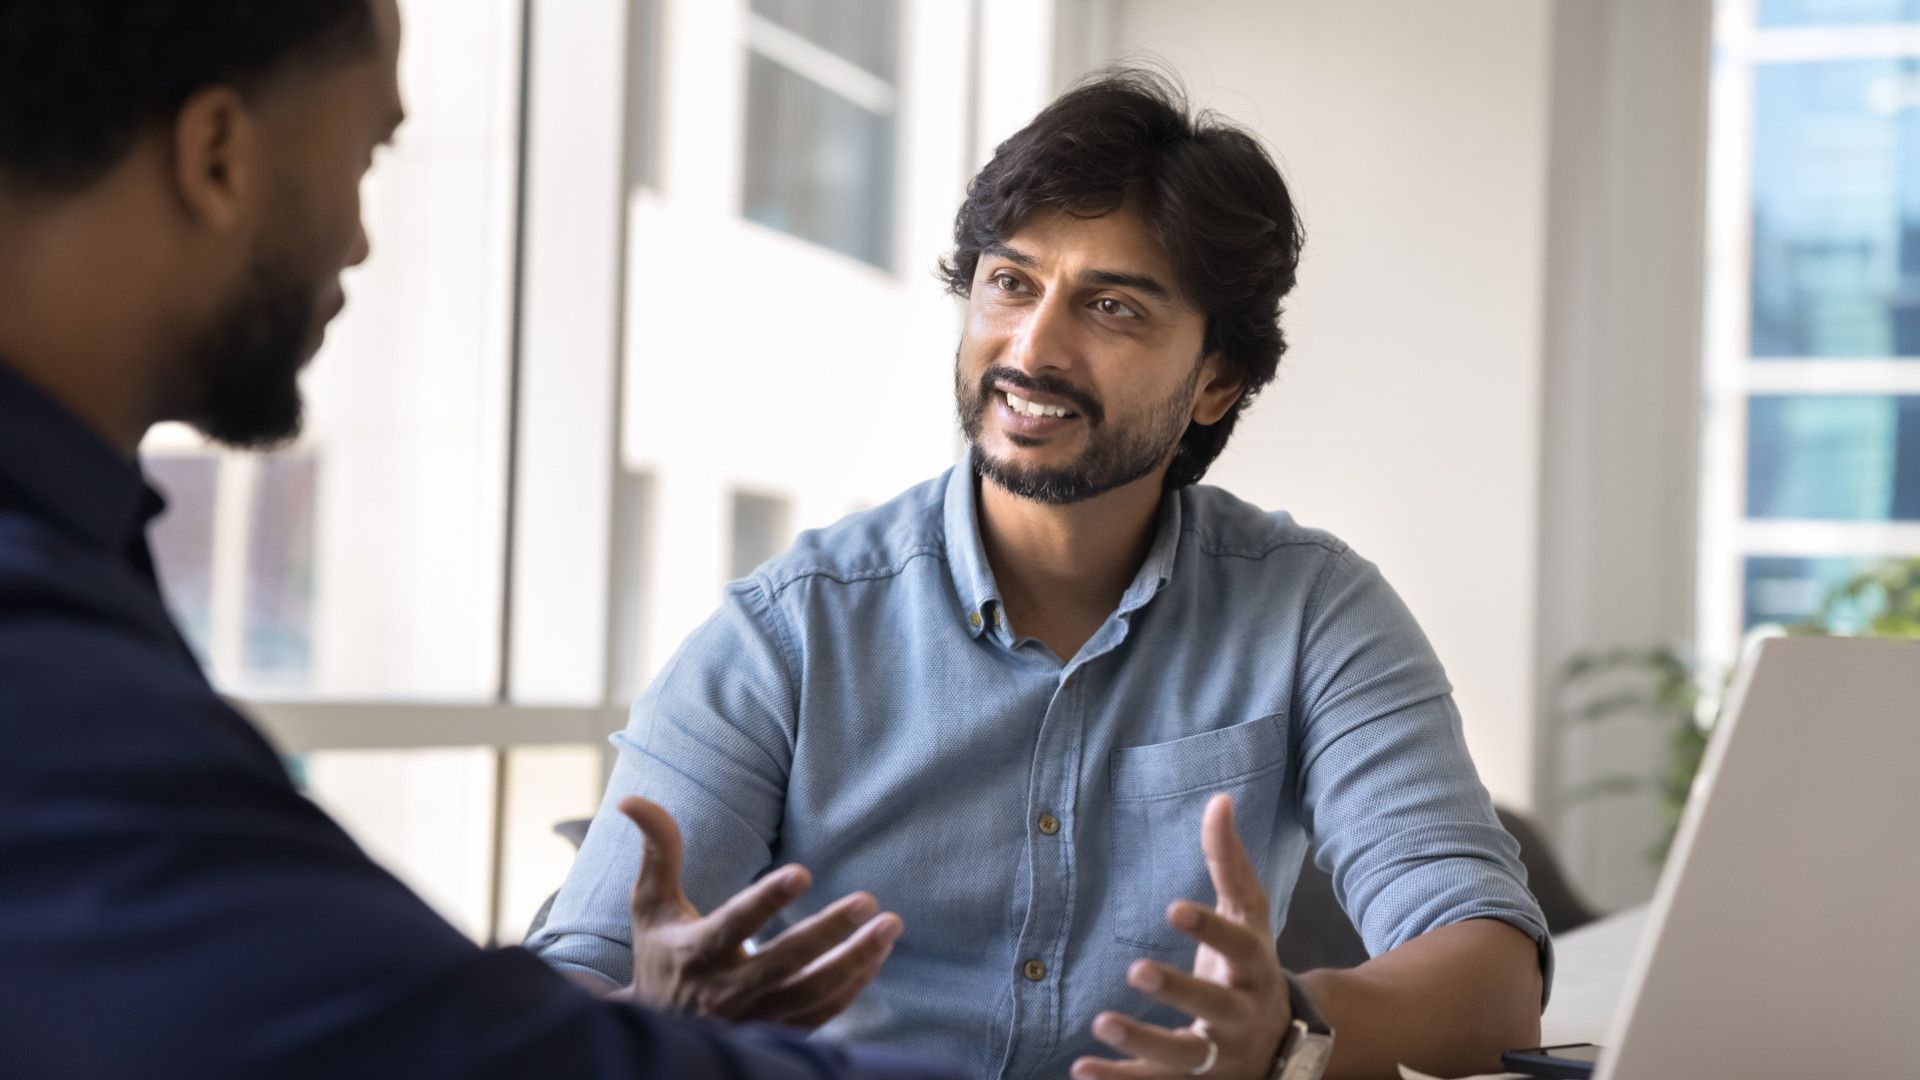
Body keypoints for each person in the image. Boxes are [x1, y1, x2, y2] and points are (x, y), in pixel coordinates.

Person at [530, 70, 1553, 1080]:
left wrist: (1287, 1032)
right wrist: (647, 1019)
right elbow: (568, 984)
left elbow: (1492, 976)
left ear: (1218, 380)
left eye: (1113, 308)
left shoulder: (1313, 614)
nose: (1034, 347)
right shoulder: (785, 633)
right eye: (1011, 284)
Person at [0, 3, 959, 1077]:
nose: (359, 239)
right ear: (217, 155)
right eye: (365, 159)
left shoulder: (75, 546)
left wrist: (651, 1013)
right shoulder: (36, 649)